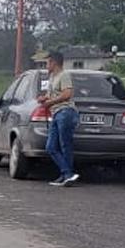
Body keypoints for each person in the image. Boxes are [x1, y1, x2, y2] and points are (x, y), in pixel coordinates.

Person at [36, 50, 79, 187]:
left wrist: (51, 102)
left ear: (54, 62)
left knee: (65, 144)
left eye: (47, 62)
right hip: (55, 113)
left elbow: (67, 94)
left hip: (65, 112)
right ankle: (66, 173)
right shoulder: (52, 78)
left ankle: (67, 174)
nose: (46, 66)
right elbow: (52, 95)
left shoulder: (64, 75)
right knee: (51, 147)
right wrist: (44, 98)